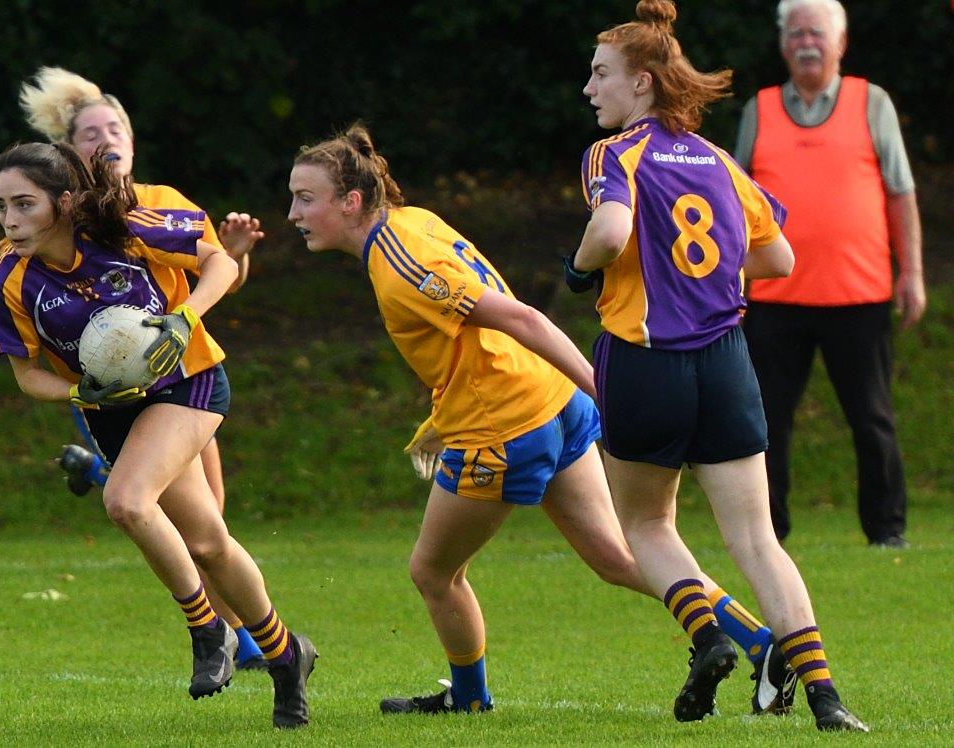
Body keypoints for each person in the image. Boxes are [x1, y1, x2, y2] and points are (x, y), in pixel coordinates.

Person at [286, 123, 786, 718]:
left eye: (304, 198)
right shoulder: (411, 222)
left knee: (433, 571)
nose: (293, 212)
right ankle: (760, 642)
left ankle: (469, 700)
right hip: (548, 403)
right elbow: (473, 335)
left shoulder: (399, 259)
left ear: (351, 202)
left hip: (504, 427)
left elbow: (521, 318)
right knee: (619, 558)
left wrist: (605, 388)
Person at [0, 67, 270, 671]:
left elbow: (216, 269)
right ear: (70, 158)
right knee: (171, 517)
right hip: (115, 397)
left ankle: (240, 640)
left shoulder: (151, 207)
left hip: (185, 375)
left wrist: (226, 271)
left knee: (190, 517)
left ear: (133, 139)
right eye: (91, 134)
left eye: (116, 128)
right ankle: (250, 644)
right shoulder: (28, 233)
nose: (108, 141)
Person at [571, 0, 866, 730]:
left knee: (646, 525)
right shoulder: (719, 161)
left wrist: (580, 268)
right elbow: (780, 257)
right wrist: (708, 280)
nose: (589, 88)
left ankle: (706, 637)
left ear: (643, 83)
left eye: (602, 73)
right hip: (728, 361)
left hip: (644, 363)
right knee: (757, 539)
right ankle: (826, 697)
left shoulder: (615, 155)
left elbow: (609, 233)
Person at [0, 141, 314, 728]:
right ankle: (288, 655)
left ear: (63, 202)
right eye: (1, 206)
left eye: (24, 205)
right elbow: (26, 375)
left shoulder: (122, 229)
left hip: (188, 381)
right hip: (114, 411)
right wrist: (79, 394)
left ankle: (207, 629)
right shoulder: (10, 279)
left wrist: (185, 320)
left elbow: (218, 263)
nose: (10, 220)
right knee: (208, 542)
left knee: (126, 501)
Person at [733, 0, 923, 548]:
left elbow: (901, 193)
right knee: (766, 424)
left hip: (858, 296)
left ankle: (887, 531)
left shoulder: (873, 102)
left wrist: (911, 274)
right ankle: (767, 532)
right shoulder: (760, 109)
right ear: (781, 44)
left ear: (841, 43)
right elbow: (735, 199)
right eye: (795, 33)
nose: (805, 42)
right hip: (773, 297)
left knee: (872, 420)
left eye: (817, 32)